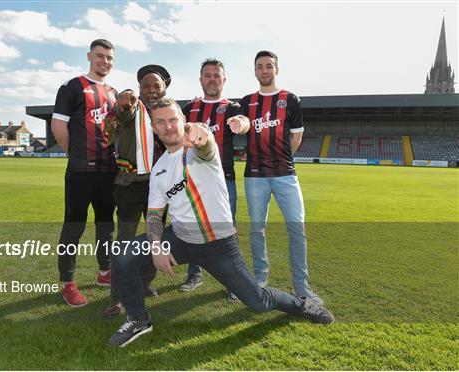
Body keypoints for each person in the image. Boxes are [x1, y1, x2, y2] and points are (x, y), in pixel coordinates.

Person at [108, 98, 334, 348]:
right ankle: (139, 320)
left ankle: (302, 305)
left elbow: (206, 144)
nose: (168, 126)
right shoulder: (159, 168)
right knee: (123, 254)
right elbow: (153, 216)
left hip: (218, 245)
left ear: (183, 120)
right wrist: (156, 245)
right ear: (153, 127)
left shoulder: (197, 150)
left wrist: (202, 136)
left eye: (173, 119)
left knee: (258, 301)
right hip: (181, 240)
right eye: (160, 121)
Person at [237, 50, 323, 304]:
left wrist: (282, 157)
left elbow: (296, 137)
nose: (264, 70)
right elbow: (232, 117)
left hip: (286, 174)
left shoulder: (291, 100)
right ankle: (260, 280)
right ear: (255, 71)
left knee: (297, 229)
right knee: (257, 230)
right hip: (254, 176)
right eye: (260, 66)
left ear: (276, 69)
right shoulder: (246, 102)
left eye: (269, 66)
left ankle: (301, 286)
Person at [51, 39, 117, 307]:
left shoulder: (113, 93)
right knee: (73, 227)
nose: (105, 61)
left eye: (110, 58)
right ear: (89, 56)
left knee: (105, 226)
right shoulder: (72, 87)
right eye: (100, 56)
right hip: (80, 171)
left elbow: (114, 131)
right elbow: (58, 126)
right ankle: (68, 282)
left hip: (108, 172)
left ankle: (105, 272)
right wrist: (75, 155)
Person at [102, 65, 170, 318]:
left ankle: (143, 282)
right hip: (129, 184)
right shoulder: (129, 105)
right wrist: (123, 105)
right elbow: (110, 131)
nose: (151, 91)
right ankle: (118, 296)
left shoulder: (169, 111)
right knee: (126, 239)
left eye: (157, 87)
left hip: (159, 185)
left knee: (155, 238)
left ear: (164, 90)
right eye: (146, 86)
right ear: (138, 89)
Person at [179, 59, 249, 299]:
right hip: (193, 180)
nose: (212, 79)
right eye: (207, 75)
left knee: (227, 231)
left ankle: (234, 282)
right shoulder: (190, 108)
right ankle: (194, 273)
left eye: (216, 75)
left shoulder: (232, 107)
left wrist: (240, 123)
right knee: (192, 227)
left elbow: (244, 121)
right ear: (200, 80)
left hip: (223, 180)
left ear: (224, 80)